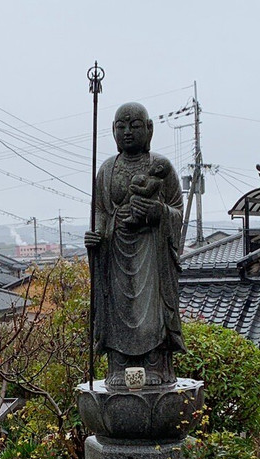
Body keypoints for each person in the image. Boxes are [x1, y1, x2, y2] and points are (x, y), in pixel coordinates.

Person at [85, 102, 185, 390]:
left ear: (149, 128)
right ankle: (118, 364)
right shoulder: (106, 170)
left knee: (151, 310)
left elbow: (177, 210)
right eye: (121, 126)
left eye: (135, 125)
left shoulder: (161, 168)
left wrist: (156, 213)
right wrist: (96, 236)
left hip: (152, 254)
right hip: (115, 251)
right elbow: (100, 211)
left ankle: (155, 363)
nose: (127, 132)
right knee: (118, 308)